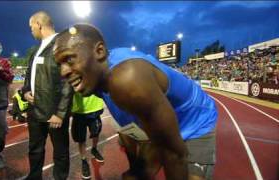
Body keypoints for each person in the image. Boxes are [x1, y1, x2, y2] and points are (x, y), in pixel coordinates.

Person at [53, 24, 218, 180]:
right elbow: (128, 132)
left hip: (195, 122)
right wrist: (139, 170)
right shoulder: (95, 77)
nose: (63, 72)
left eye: (69, 59)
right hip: (160, 121)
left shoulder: (128, 81)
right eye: (59, 64)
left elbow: (174, 154)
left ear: (100, 51)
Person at [21, 11, 73, 180]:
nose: (31, 31)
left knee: (60, 152)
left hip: (54, 114)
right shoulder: (36, 49)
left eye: (31, 27)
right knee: (35, 149)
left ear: (39, 24)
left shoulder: (62, 45)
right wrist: (26, 90)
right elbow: (30, 74)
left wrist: (60, 113)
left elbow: (68, 82)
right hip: (34, 110)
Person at [71, 93, 104, 179]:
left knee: (96, 133)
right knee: (81, 138)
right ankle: (84, 160)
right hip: (79, 111)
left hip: (95, 108)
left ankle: (94, 149)